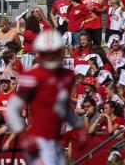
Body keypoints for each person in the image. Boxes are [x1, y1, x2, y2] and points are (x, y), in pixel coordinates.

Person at [5, 30, 78, 165]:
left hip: (56, 138)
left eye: (54, 52)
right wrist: (23, 133)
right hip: (38, 138)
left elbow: (64, 107)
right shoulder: (33, 75)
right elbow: (12, 108)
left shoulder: (68, 76)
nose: (51, 57)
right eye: (47, 53)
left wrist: (77, 127)